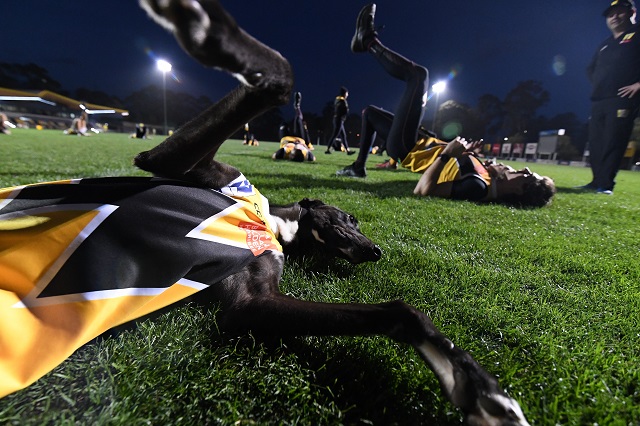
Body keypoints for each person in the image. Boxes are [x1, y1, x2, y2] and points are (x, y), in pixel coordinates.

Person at [335, 4, 555, 208]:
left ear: (519, 189)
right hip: (421, 143)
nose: (525, 170)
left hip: (409, 148)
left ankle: (369, 41)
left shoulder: (479, 186)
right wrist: (468, 154)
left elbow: (422, 190)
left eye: (529, 176)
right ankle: (358, 167)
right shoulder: (487, 176)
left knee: (418, 76)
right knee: (370, 114)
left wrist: (449, 154)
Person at [580, 0, 640, 195]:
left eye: (620, 12)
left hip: (622, 99)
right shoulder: (605, 44)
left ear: (632, 12)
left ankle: (606, 185)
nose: (614, 17)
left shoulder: (637, 34)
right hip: (599, 101)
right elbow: (590, 69)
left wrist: (638, 85)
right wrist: (600, 84)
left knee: (613, 141)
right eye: (610, 14)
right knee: (596, 142)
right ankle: (595, 181)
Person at [325, 86, 355, 155]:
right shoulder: (343, 101)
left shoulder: (337, 100)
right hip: (339, 120)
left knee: (343, 136)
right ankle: (328, 149)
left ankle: (348, 150)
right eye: (347, 93)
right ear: (344, 93)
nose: (347, 95)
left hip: (336, 119)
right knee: (335, 135)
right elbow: (345, 111)